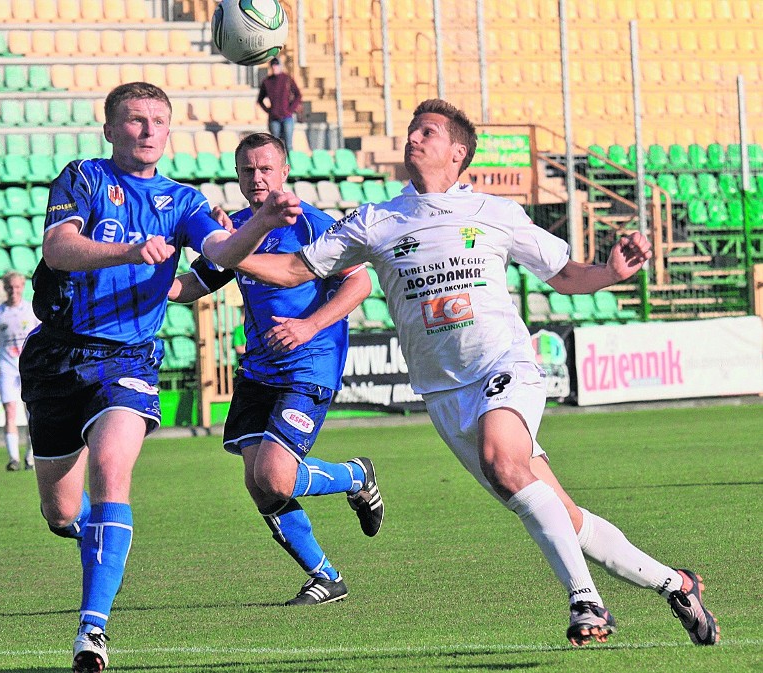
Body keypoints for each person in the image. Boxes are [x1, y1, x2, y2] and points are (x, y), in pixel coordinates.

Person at [222, 100, 720, 647]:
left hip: (503, 366)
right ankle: (676, 583)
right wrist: (226, 252)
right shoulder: (377, 219)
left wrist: (608, 272)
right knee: (564, 514)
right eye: (412, 129)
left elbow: (564, 274)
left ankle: (585, 602)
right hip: (443, 391)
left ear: (457, 153)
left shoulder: (494, 212)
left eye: (427, 132)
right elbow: (294, 268)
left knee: (502, 460)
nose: (413, 137)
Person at [19, 82, 302, 673]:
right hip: (56, 358)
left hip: (127, 361)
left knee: (111, 473)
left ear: (169, 131)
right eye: (135, 120)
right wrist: (126, 253)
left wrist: (262, 222)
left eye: (158, 121)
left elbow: (221, 250)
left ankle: (91, 632)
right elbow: (59, 249)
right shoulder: (83, 178)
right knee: (63, 514)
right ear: (110, 129)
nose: (148, 130)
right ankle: (102, 546)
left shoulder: (183, 200)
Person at [168, 132, 382, 605]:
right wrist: (143, 277)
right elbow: (193, 284)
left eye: (266, 168)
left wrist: (309, 325)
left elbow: (360, 285)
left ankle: (355, 476)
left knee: (277, 478)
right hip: (260, 369)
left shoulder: (313, 224)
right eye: (248, 169)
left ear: (285, 171)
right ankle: (325, 577)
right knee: (260, 486)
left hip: (309, 362)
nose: (257, 177)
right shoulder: (240, 229)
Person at [0, 270, 39, 472]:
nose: (13, 291)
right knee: (10, 411)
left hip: (28, 367)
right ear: (4, 288)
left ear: (22, 287)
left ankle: (31, 456)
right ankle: (13, 458)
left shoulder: (30, 311)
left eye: (17, 287)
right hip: (7, 367)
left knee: (31, 412)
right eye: (10, 287)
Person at [257, 57, 302, 153]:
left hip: (287, 116)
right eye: (273, 65)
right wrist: (269, 110)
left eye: (276, 65)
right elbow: (260, 100)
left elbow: (298, 95)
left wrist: (290, 109)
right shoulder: (267, 82)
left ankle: (289, 164)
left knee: (288, 144)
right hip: (274, 118)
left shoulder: (287, 79)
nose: (274, 67)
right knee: (276, 145)